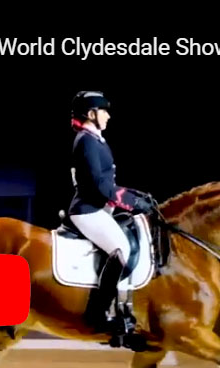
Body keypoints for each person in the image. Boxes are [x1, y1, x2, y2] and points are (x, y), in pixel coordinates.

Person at [67, 90, 155, 344]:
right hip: (87, 209)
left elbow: (108, 182)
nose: (108, 115)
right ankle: (97, 313)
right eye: (103, 111)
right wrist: (130, 203)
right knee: (121, 249)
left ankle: (122, 308)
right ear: (92, 114)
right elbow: (98, 185)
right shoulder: (86, 141)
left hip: (100, 208)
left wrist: (139, 196)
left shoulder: (96, 139)